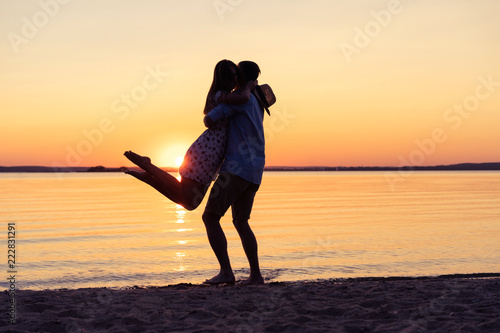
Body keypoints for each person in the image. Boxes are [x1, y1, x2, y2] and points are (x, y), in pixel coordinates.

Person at [124, 60, 255, 210]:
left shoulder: (225, 96)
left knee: (191, 203)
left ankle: (150, 177)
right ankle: (148, 166)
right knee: (186, 196)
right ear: (222, 77)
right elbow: (244, 98)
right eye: (231, 75)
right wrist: (250, 86)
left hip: (214, 154)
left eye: (236, 76)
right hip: (207, 151)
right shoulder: (220, 95)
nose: (235, 79)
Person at [201, 61, 267, 285]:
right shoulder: (258, 101)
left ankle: (226, 272)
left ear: (240, 77)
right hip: (255, 171)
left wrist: (219, 103)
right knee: (241, 221)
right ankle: (256, 275)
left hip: (235, 170)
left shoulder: (240, 100)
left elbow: (209, 119)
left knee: (210, 217)